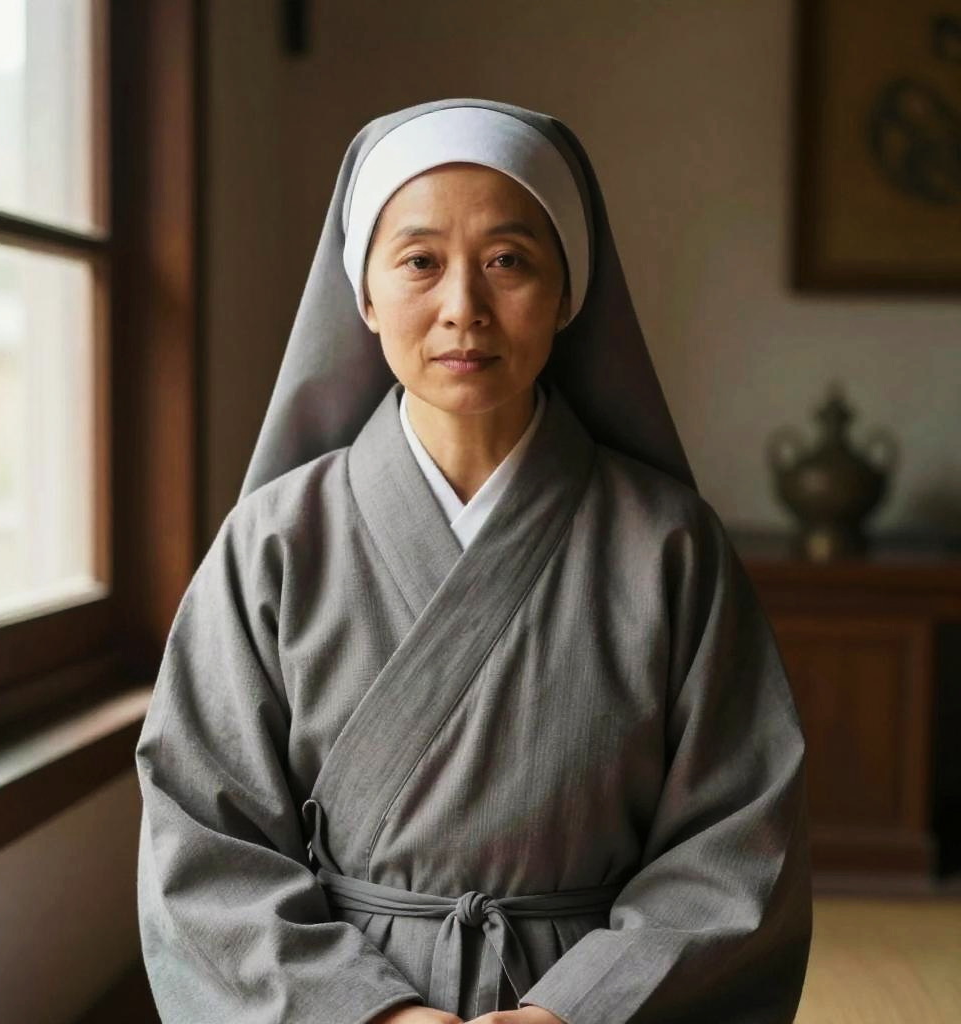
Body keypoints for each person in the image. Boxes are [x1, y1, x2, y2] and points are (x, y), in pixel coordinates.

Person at [134, 98, 813, 1024]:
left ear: (569, 292)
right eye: (419, 261)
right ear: (363, 295)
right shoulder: (273, 544)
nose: (464, 308)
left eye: (508, 261)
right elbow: (206, 848)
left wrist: (571, 1010)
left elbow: (738, 839)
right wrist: (376, 1013)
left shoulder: (671, 546)